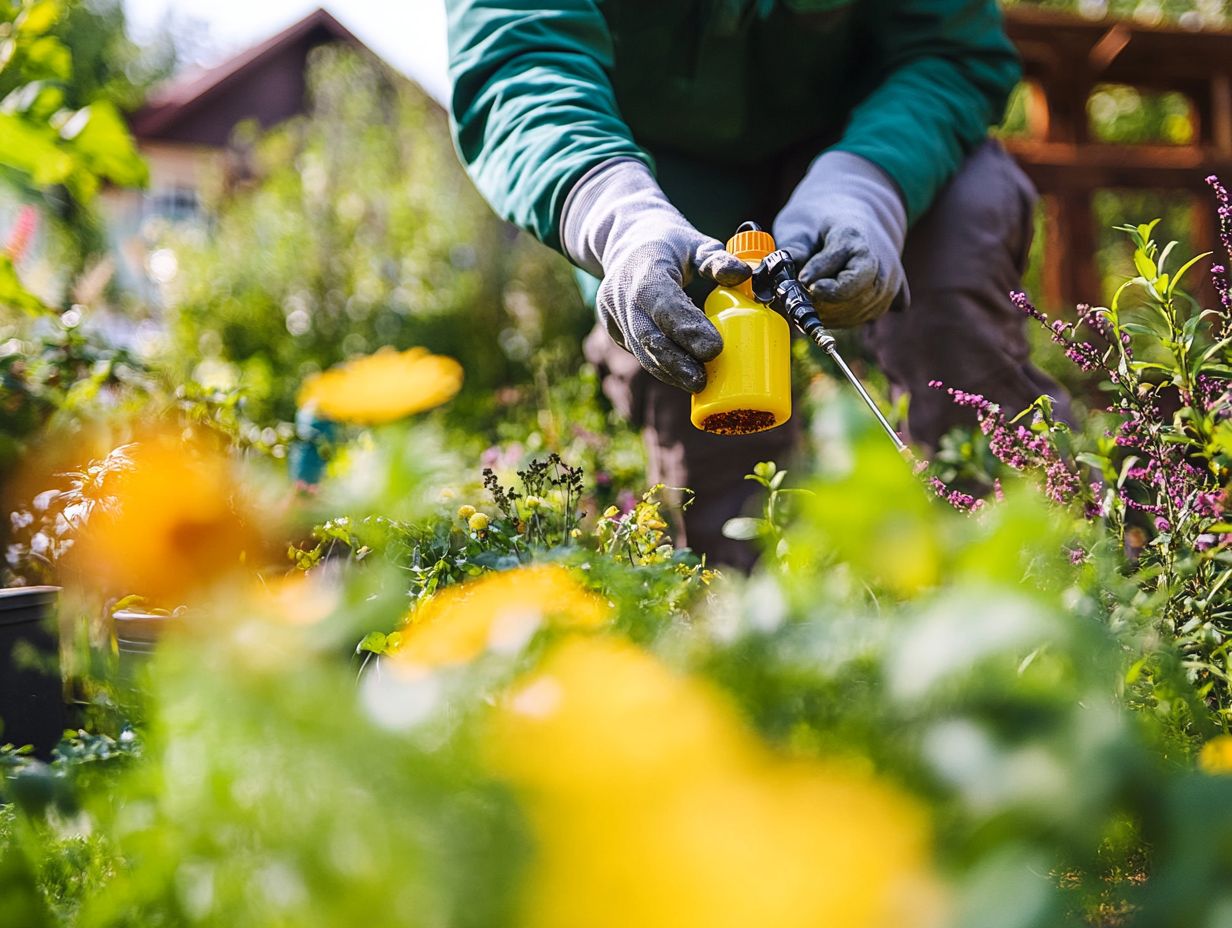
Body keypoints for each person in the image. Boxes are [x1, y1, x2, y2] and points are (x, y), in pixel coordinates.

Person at [446, 0, 1066, 568]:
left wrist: (871, 184)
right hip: (652, 175)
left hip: (876, 138)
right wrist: (619, 218)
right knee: (696, 402)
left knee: (955, 281)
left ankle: (1026, 578)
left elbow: (952, 48)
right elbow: (516, 59)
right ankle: (754, 642)